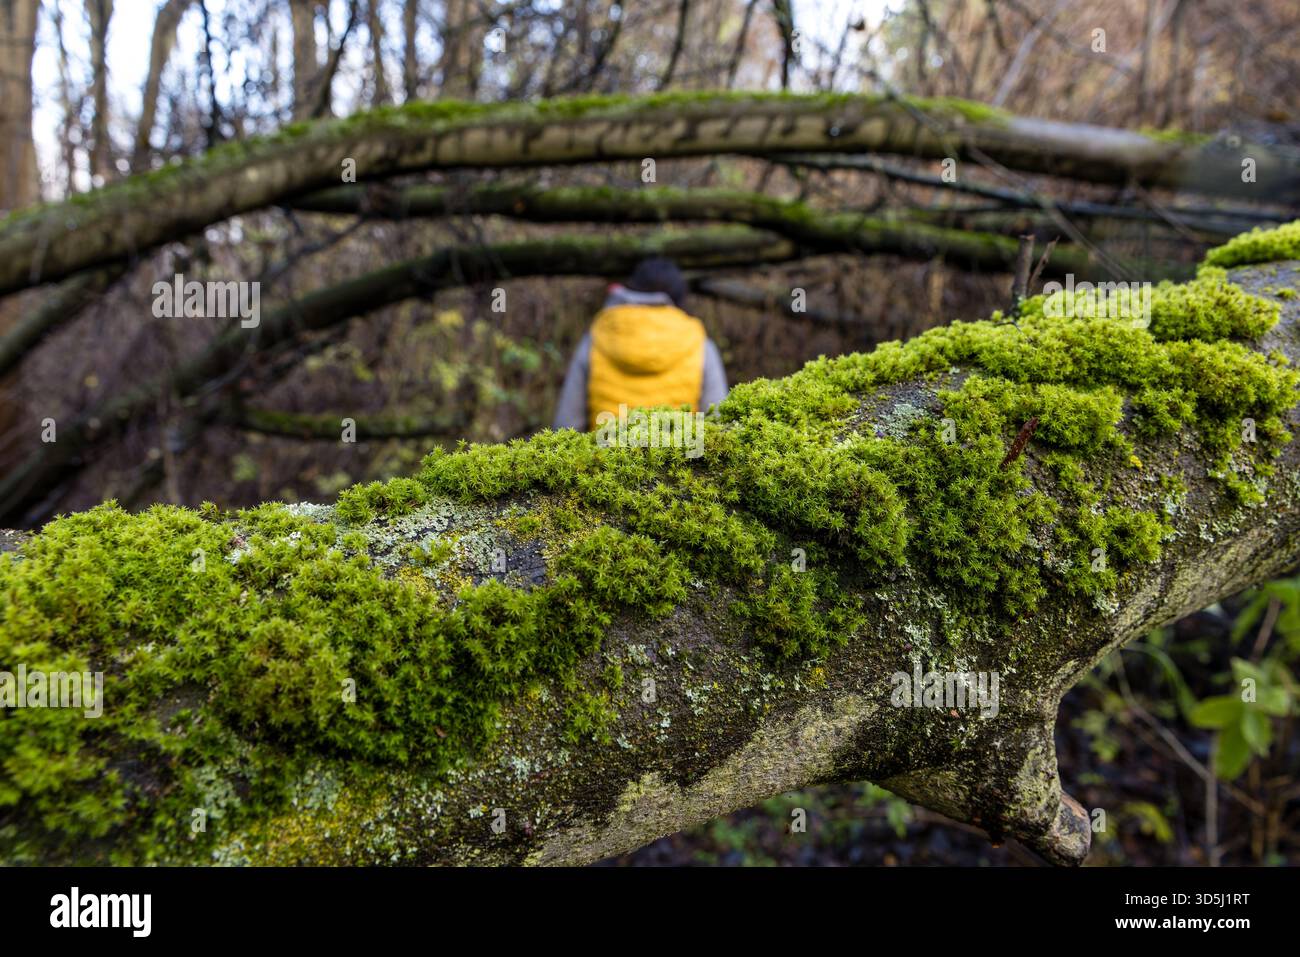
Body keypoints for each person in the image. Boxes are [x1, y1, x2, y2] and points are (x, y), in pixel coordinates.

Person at [552, 258, 728, 431]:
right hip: (681, 458)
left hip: (605, 456)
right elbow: (718, 423)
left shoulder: (597, 337)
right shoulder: (699, 343)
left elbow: (566, 425)